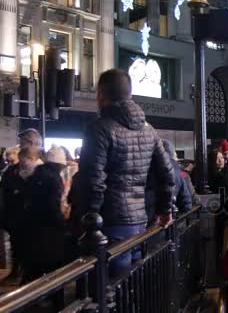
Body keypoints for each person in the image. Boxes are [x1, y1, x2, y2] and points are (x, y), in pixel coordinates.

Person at [78, 68, 174, 277]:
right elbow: (167, 173)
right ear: (129, 94)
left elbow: (93, 181)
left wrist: (87, 220)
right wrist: (165, 210)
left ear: (101, 95)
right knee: (131, 284)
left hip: (109, 222)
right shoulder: (149, 129)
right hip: (140, 220)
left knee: (108, 286)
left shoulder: (99, 128)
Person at [20, 147, 68, 282]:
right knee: (51, 262)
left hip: (32, 224)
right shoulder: (54, 178)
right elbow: (53, 205)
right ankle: (51, 297)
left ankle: (27, 294)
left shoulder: (36, 173)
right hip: (48, 228)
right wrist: (62, 223)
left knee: (33, 264)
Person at [0, 146, 44, 284]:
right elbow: (5, 190)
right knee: (16, 245)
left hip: (30, 217)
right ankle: (18, 271)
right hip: (14, 215)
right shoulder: (12, 172)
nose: (16, 163)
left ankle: (28, 276)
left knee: (30, 247)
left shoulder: (41, 173)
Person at [145, 139, 193, 225]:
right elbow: (187, 204)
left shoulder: (148, 168)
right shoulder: (178, 172)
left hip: (149, 224)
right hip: (170, 222)